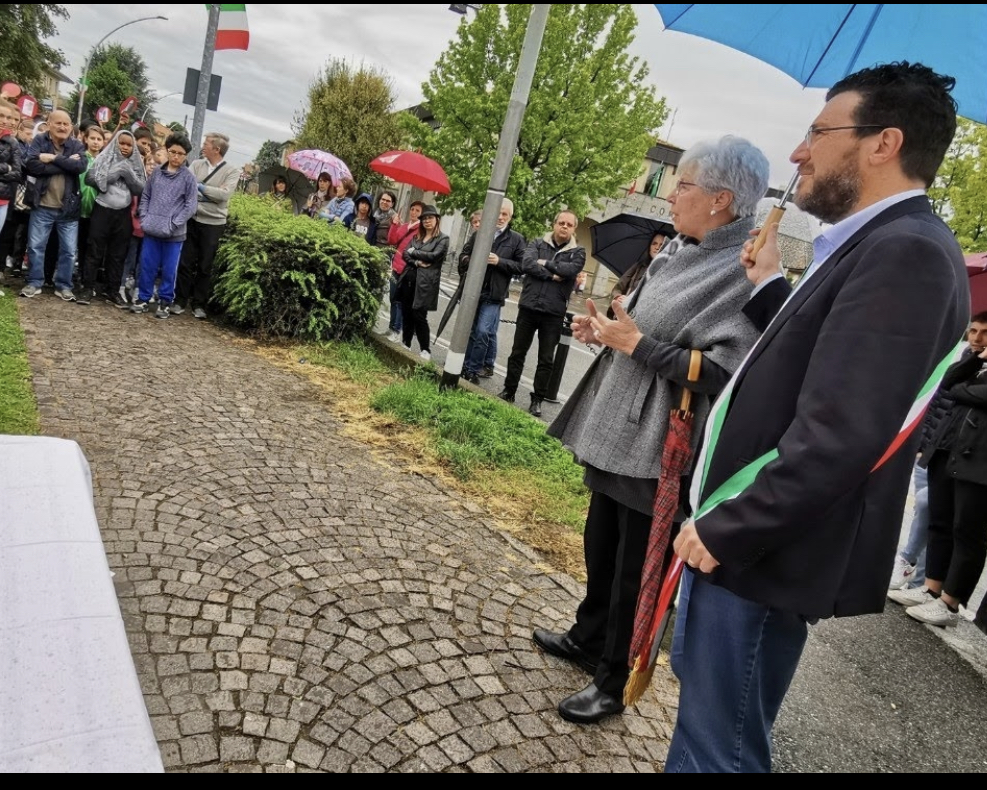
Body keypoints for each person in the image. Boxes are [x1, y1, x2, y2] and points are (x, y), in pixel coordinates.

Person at [666, 62, 969, 774]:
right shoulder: (881, 243)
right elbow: (817, 363)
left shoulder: (905, 252)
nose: (799, 152)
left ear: (883, 143)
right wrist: (771, 284)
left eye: (818, 133)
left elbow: (842, 430)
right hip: (755, 544)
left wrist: (731, 526)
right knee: (712, 732)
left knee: (718, 750)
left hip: (759, 549)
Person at [537, 136, 770, 726]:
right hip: (618, 422)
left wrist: (637, 344)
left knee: (634, 571)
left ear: (720, 199)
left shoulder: (743, 273)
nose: (670, 196)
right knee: (600, 543)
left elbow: (726, 371)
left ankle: (614, 680)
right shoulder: (675, 253)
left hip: (658, 440)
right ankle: (589, 636)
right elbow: (636, 328)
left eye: (682, 185)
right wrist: (604, 332)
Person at [887, 314, 987, 628]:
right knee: (939, 521)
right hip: (947, 450)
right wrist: (974, 360)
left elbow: (969, 393)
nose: (977, 338)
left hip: (978, 460)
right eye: (974, 331)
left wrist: (961, 387)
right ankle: (931, 588)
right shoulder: (973, 361)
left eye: (985, 333)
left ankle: (950, 602)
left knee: (967, 531)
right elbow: (949, 380)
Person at [500, 212, 586, 417]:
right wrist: (552, 275)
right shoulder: (538, 243)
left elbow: (570, 270)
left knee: (546, 359)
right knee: (517, 352)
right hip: (529, 306)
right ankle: (509, 391)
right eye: (561, 223)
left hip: (553, 312)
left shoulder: (578, 251)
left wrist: (545, 263)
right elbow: (527, 264)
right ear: (554, 224)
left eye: (569, 224)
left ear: (574, 228)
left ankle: (537, 400)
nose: (564, 226)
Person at [19, 110, 87, 302]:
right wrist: (66, 163)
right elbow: (31, 165)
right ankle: (34, 282)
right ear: (49, 124)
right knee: (35, 247)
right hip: (42, 204)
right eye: (58, 123)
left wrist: (53, 158)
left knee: (69, 251)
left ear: (71, 126)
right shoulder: (40, 140)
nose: (62, 127)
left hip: (68, 208)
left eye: (66, 124)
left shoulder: (76, 145)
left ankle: (64, 286)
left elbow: (80, 166)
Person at [458, 198, 526, 385]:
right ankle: (465, 366)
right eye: (498, 212)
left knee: (482, 331)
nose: (501, 217)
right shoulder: (480, 233)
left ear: (510, 217)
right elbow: (463, 255)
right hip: (474, 290)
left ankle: (473, 369)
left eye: (505, 214)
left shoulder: (516, 239)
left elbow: (522, 266)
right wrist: (472, 260)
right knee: (471, 330)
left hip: (494, 294)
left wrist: (499, 262)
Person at [175, 132, 241, 320]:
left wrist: (200, 188)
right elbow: (186, 187)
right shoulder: (196, 165)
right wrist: (212, 193)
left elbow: (224, 196)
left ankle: (198, 304)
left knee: (205, 265)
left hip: (213, 223)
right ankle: (179, 300)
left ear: (216, 149)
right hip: (192, 219)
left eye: (206, 144)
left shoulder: (231, 171)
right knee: (185, 262)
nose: (203, 146)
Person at [132, 133, 198, 320]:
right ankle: (143, 298)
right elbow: (146, 196)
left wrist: (174, 224)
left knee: (169, 270)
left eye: (180, 153)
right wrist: (145, 217)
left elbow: (191, 206)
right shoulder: (157, 173)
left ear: (186, 155)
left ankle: (165, 301)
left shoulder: (188, 178)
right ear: (167, 151)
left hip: (174, 235)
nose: (176, 156)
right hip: (151, 230)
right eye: (173, 152)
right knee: (147, 266)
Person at [78, 130, 146, 307]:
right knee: (94, 250)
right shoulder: (104, 158)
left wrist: (128, 173)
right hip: (102, 209)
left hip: (123, 213)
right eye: (121, 143)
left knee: (118, 254)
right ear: (115, 143)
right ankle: (87, 288)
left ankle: (112, 290)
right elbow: (89, 179)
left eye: (129, 144)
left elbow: (141, 189)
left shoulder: (136, 164)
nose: (125, 147)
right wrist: (114, 173)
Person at [398, 205, 449, 361]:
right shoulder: (416, 237)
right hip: (409, 279)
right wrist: (417, 262)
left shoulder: (443, 239)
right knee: (406, 313)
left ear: (437, 219)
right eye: (424, 218)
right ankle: (406, 343)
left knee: (419, 316)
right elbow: (405, 253)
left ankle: (425, 349)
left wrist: (414, 252)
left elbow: (434, 256)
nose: (427, 221)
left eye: (430, 218)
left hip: (426, 284)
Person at [385, 201, 425, 343]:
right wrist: (394, 224)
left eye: (417, 211)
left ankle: (397, 330)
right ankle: (391, 328)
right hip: (396, 267)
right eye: (412, 209)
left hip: (407, 271)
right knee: (393, 298)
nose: (413, 212)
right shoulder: (404, 226)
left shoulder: (421, 231)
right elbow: (392, 240)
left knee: (400, 301)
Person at [607, 233, 667, 320]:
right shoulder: (639, 266)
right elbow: (618, 287)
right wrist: (618, 297)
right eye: (654, 243)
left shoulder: (666, 273)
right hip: (623, 316)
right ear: (649, 247)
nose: (657, 247)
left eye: (661, 245)